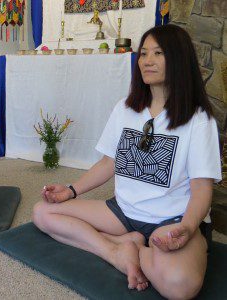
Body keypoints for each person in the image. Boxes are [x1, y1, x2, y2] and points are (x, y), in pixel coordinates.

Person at [33, 24, 221, 299]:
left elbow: (202, 188)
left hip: (172, 220)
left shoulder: (199, 119)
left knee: (180, 286)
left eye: (158, 53)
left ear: (179, 60)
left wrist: (188, 228)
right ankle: (118, 251)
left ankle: (137, 248)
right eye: (143, 53)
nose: (147, 60)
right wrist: (71, 190)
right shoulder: (125, 108)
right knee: (42, 212)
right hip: (123, 212)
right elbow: (108, 163)